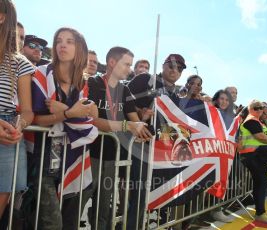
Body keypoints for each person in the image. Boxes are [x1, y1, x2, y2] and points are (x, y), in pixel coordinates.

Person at [31, 27, 98, 229]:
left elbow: (91, 116)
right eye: (59, 40)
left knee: (67, 222)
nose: (62, 45)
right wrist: (69, 114)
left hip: (69, 159)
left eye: (70, 41)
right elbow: (35, 120)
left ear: (80, 49)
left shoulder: (81, 83)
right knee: (52, 223)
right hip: (41, 160)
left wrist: (67, 111)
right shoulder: (41, 75)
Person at [86, 46, 152, 229]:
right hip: (87, 155)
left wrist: (142, 129)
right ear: (112, 62)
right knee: (76, 205)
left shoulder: (124, 90)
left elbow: (134, 120)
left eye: (131, 65)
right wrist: (128, 126)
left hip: (111, 157)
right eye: (126, 64)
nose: (130, 69)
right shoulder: (92, 83)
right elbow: (90, 120)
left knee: (103, 210)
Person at [127, 53, 186, 229]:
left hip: (162, 152)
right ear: (163, 65)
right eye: (172, 66)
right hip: (139, 146)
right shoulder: (145, 79)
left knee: (157, 192)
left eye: (180, 68)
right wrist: (140, 114)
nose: (175, 70)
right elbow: (122, 102)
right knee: (139, 194)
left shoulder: (176, 95)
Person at [0, 0, 35, 221]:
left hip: (8, 133)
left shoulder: (20, 63)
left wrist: (17, 127)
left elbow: (28, 111)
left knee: (3, 193)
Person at [239, 100, 267, 224]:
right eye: (256, 107)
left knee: (261, 182)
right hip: (251, 155)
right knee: (261, 182)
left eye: (261, 108)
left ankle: (261, 211)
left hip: (255, 155)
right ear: (250, 109)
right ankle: (260, 213)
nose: (259, 110)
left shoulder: (255, 120)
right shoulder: (251, 119)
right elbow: (260, 136)